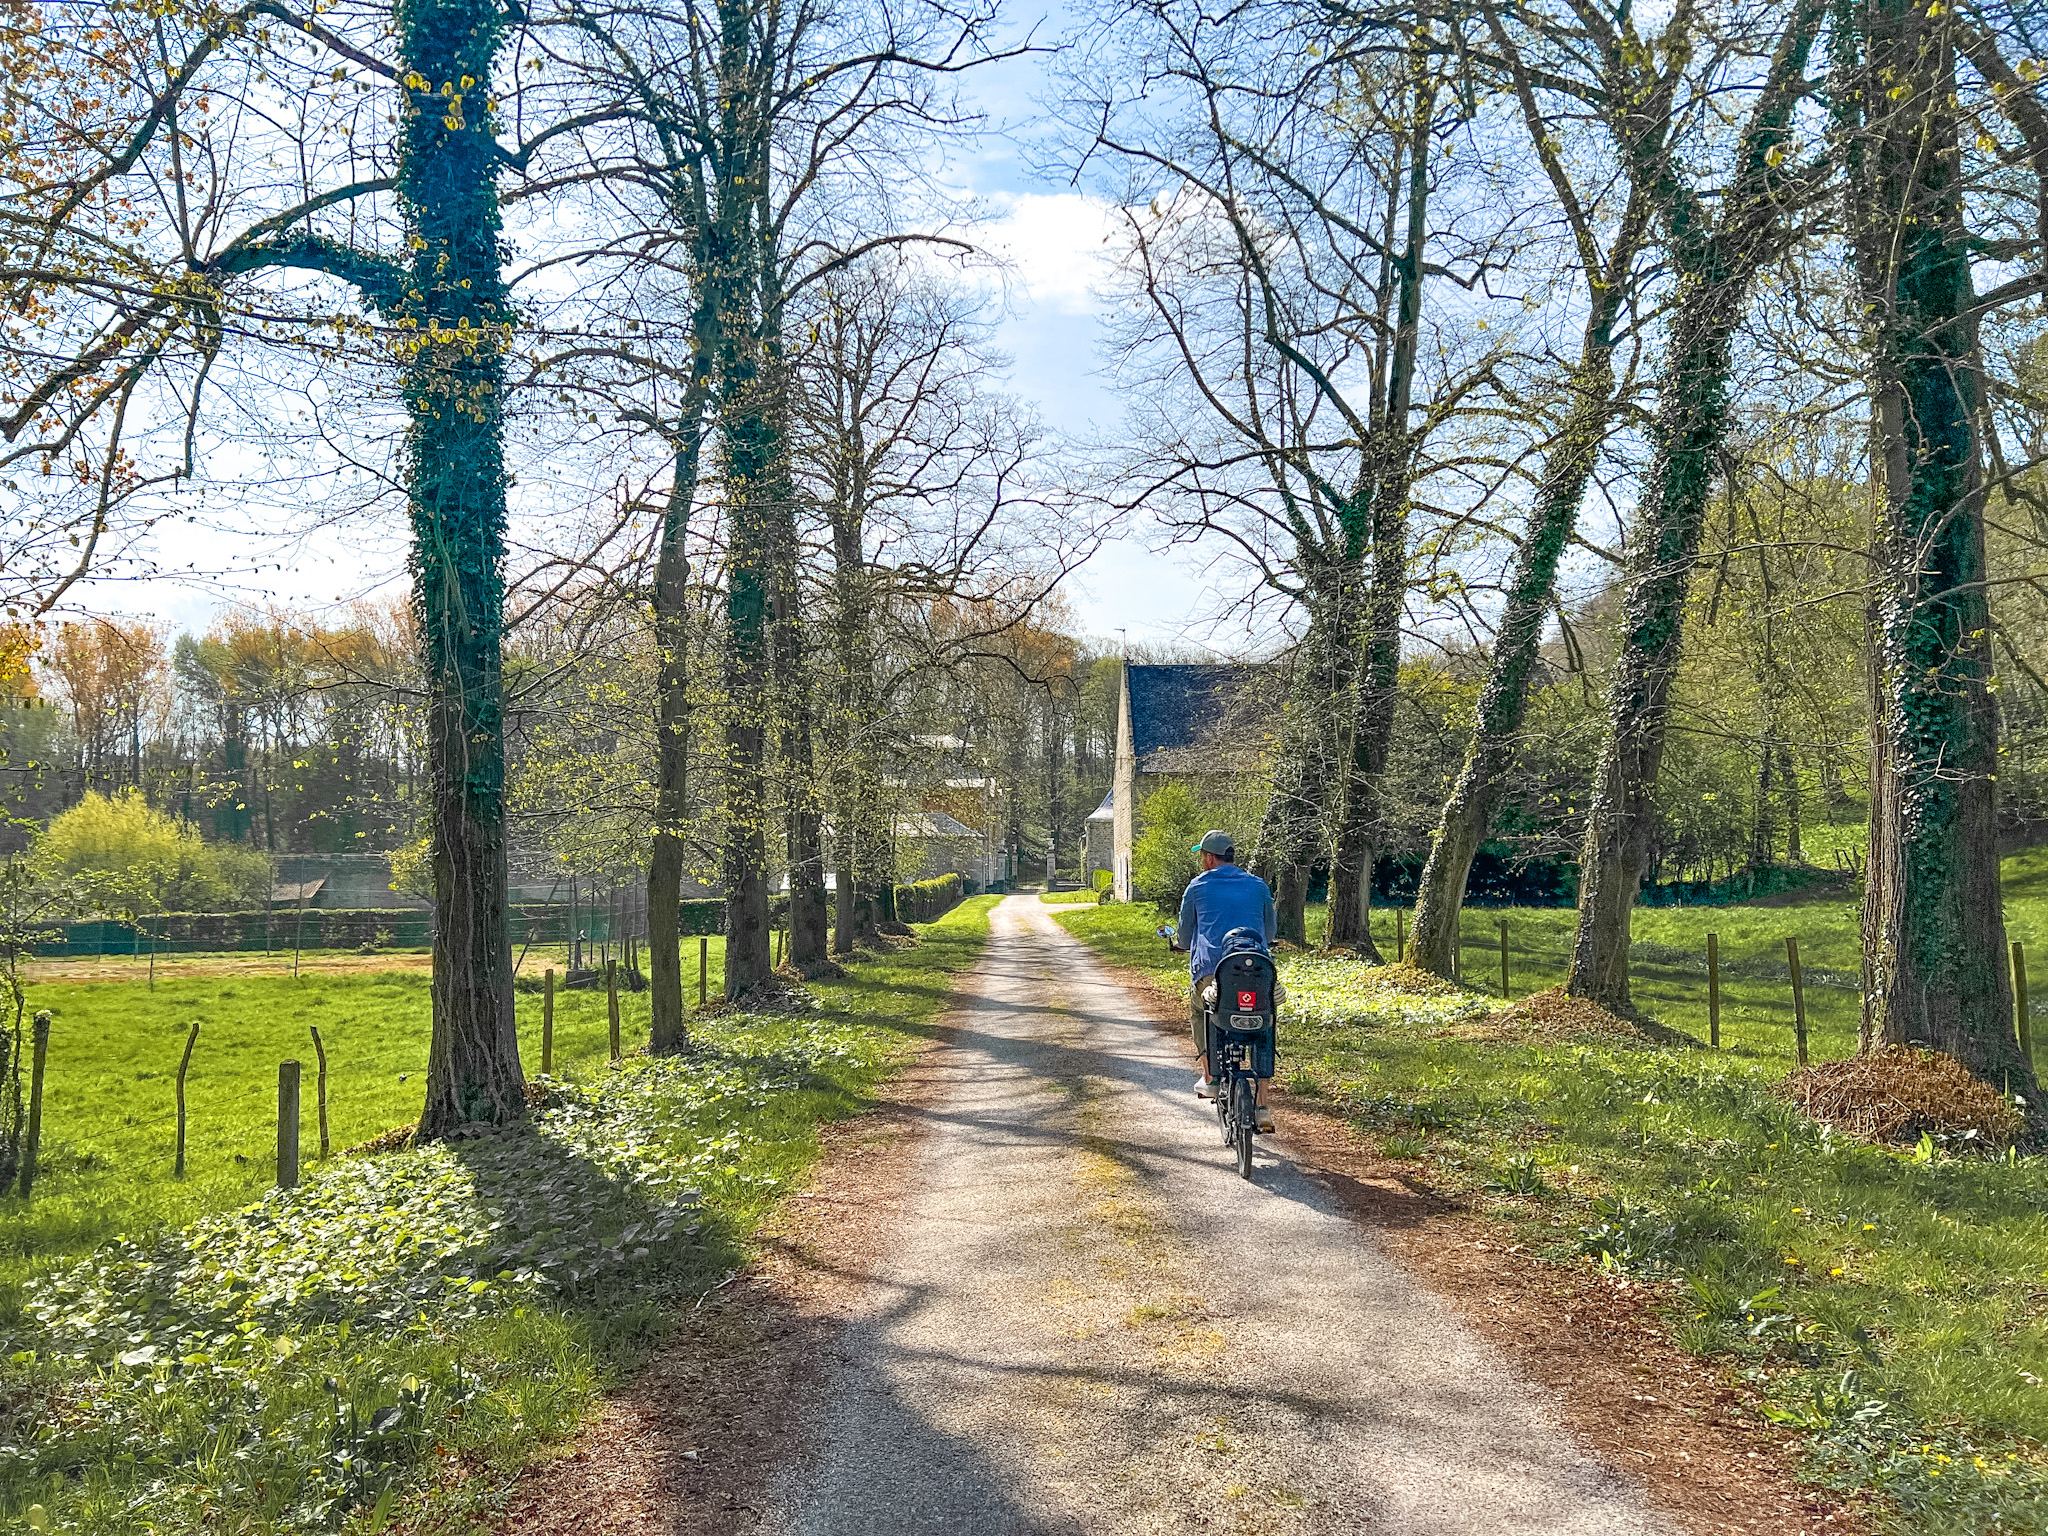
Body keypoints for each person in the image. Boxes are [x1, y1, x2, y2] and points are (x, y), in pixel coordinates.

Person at [1175, 830, 1277, 1113]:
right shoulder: (1258, 886)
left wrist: (1178, 945)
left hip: (1214, 971)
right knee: (1266, 1018)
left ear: (1209, 858)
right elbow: (1270, 931)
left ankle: (1211, 1078)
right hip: (1257, 969)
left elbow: (1184, 935)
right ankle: (1263, 1102)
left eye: (1201, 856)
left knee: (1200, 1010)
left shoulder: (1196, 887)